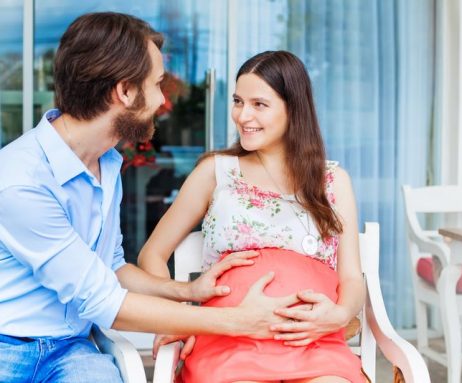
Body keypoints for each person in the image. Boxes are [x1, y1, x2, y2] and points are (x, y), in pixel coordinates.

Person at [0, 13, 298, 383]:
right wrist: (236, 321)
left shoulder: (107, 162)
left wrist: (185, 290)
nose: (162, 100)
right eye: (157, 84)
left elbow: (111, 266)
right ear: (124, 91)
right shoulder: (18, 180)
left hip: (71, 347)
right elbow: (103, 302)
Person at [139, 50, 367, 383]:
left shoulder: (332, 182)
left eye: (259, 104)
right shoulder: (215, 172)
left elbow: (351, 278)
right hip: (229, 341)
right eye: (237, 101)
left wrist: (340, 314)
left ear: (294, 108)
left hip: (310, 342)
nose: (243, 115)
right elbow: (152, 254)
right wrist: (179, 320)